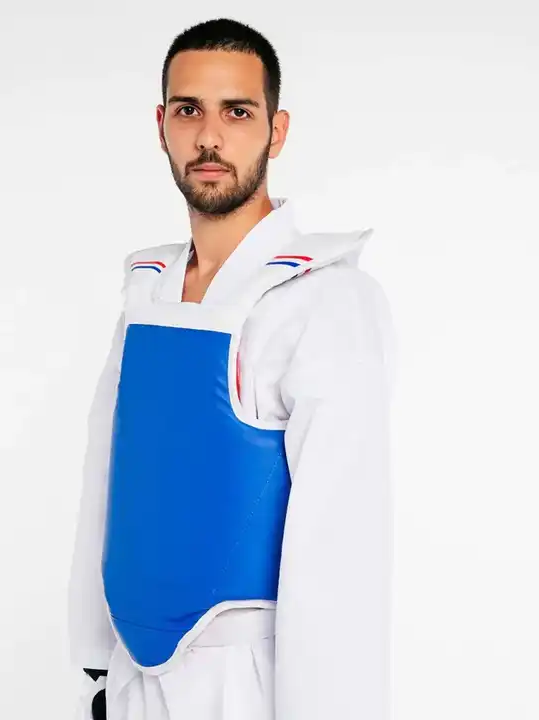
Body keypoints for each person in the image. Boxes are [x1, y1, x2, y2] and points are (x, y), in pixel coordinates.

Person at [67, 17, 396, 720]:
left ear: (277, 130)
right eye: (189, 110)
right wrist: (96, 659)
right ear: (162, 125)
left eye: (237, 112)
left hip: (244, 682)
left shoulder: (326, 299)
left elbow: (339, 547)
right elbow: (110, 472)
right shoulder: (147, 292)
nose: (209, 137)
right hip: (131, 676)